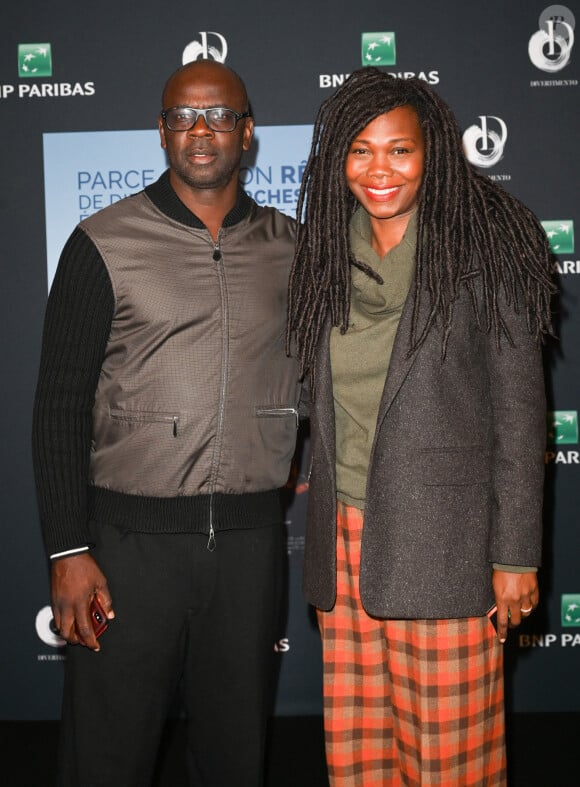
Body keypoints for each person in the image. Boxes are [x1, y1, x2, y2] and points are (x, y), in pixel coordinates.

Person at [32, 59, 302, 787]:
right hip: (126, 551)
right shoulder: (102, 242)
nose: (200, 131)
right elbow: (58, 406)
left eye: (219, 115)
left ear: (248, 132)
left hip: (248, 549)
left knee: (233, 758)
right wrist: (68, 550)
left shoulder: (296, 247)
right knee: (106, 759)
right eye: (182, 117)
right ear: (160, 131)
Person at [287, 67, 555, 786]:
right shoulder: (322, 252)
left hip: (449, 544)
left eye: (399, 150)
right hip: (345, 541)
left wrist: (516, 555)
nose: (380, 169)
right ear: (337, 159)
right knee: (358, 751)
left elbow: (521, 410)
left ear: (432, 150)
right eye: (361, 150)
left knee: (452, 759)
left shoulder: (489, 239)